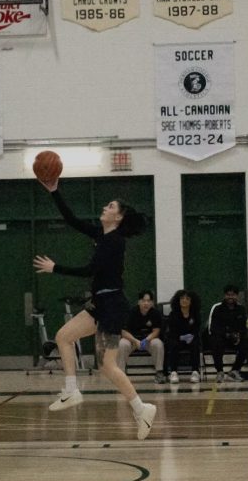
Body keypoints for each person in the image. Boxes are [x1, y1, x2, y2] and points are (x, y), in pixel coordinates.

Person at [32, 180, 156, 440]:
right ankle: (72, 390)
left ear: (118, 217)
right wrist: (54, 191)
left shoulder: (115, 242)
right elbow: (73, 221)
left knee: (108, 367)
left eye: (110, 206)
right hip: (101, 305)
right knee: (63, 336)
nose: (104, 207)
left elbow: (90, 270)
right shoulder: (103, 236)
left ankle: (141, 408)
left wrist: (56, 268)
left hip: (112, 306)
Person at [117, 289, 166, 383]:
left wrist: (146, 340)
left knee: (158, 344)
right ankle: (121, 374)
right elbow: (123, 331)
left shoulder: (155, 313)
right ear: (139, 302)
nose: (146, 303)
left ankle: (159, 372)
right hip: (132, 340)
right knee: (122, 344)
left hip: (148, 341)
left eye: (148, 301)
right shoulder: (131, 312)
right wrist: (135, 341)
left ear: (152, 302)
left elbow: (156, 331)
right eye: (143, 300)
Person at [209, 284, 248, 382]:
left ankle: (235, 370)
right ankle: (220, 372)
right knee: (215, 341)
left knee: (247, 342)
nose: (230, 297)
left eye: (233, 295)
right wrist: (226, 334)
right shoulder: (217, 309)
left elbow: (243, 327)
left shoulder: (241, 309)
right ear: (225, 296)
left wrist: (238, 336)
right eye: (228, 294)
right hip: (222, 338)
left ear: (236, 296)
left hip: (235, 338)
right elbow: (214, 328)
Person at [164, 289, 203, 383]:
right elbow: (172, 331)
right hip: (177, 339)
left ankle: (195, 371)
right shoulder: (173, 314)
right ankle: (173, 372)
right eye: (182, 298)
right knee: (173, 344)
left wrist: (191, 336)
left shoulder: (196, 315)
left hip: (191, 340)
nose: (184, 300)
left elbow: (197, 329)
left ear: (191, 301)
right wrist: (181, 337)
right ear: (178, 300)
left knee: (196, 344)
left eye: (187, 298)